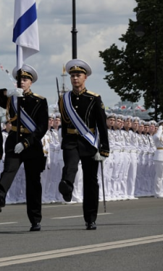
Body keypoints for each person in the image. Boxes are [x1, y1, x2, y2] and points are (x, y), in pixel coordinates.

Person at [0, 65, 48, 231]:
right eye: (20, 79)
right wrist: (7, 92)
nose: (22, 82)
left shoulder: (39, 101)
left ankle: (35, 219)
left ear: (31, 82)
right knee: (9, 169)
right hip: (14, 139)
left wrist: (26, 143)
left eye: (25, 79)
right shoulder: (11, 98)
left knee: (33, 183)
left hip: (31, 144)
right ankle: (0, 194)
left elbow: (42, 127)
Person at [58, 59, 109, 230]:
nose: (74, 78)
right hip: (71, 140)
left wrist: (104, 148)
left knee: (90, 181)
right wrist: (63, 140)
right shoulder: (64, 99)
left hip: (89, 142)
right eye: (72, 75)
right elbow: (64, 124)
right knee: (70, 166)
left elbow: (102, 125)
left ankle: (90, 218)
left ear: (85, 77)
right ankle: (67, 186)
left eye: (78, 75)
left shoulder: (94, 98)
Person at [154, 122, 163, 198]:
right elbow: (157, 136)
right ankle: (157, 192)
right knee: (159, 176)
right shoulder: (157, 135)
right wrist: (160, 129)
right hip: (160, 157)